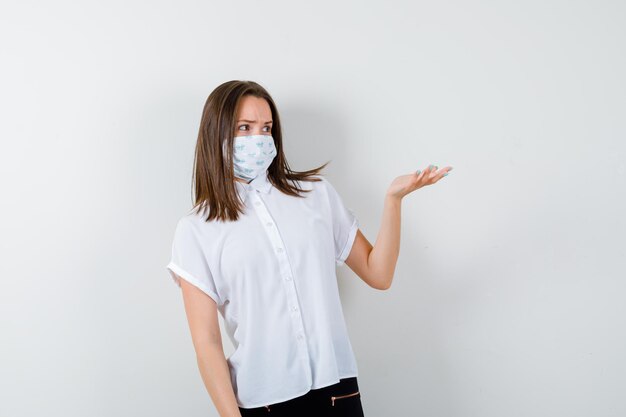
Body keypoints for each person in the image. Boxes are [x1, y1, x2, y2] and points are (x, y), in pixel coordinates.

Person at [166, 80, 452, 417]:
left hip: (338, 393)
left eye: (266, 128)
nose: (258, 139)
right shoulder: (197, 230)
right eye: (244, 128)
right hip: (265, 401)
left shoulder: (315, 195)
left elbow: (379, 273)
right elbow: (207, 345)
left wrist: (393, 200)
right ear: (217, 133)